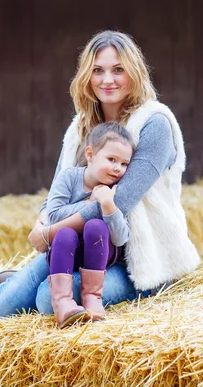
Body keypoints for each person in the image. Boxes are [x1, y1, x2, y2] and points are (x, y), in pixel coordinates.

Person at [0, 30, 200, 320]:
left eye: (118, 70)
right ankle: (19, 281)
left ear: (134, 73)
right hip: (79, 245)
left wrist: (49, 233)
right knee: (2, 307)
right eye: (98, 70)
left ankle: (31, 281)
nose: (107, 80)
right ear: (87, 76)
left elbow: (118, 204)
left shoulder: (155, 124)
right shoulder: (81, 129)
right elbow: (56, 193)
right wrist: (42, 221)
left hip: (137, 259)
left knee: (46, 301)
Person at [44, 122, 135, 328]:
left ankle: (93, 298)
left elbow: (121, 238)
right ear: (90, 154)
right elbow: (54, 216)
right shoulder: (69, 177)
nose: (117, 168)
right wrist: (88, 204)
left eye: (124, 164)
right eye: (111, 159)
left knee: (96, 227)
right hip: (66, 253)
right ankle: (63, 304)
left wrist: (108, 205)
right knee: (66, 233)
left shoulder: (116, 189)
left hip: (100, 255)